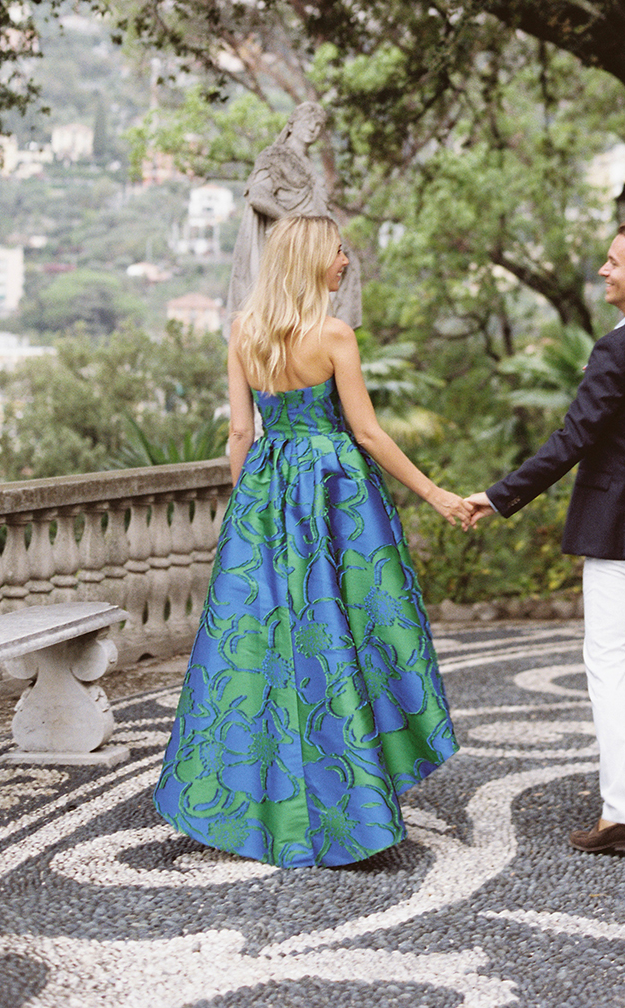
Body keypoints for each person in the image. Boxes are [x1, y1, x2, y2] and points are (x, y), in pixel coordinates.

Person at [155, 215, 470, 868]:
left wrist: (249, 514)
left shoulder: (244, 331)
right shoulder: (332, 335)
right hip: (334, 498)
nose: (345, 261)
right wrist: (436, 493)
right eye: (337, 252)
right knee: (349, 632)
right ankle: (348, 797)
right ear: (308, 261)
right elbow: (369, 434)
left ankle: (255, 804)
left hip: (268, 496)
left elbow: (240, 435)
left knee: (263, 647)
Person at [465, 220, 625, 855]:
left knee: (608, 667)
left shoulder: (620, 350)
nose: (603, 272)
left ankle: (623, 815)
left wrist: (498, 497)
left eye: (614, 263)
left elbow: (573, 440)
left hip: (620, 533)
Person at [226, 101, 362, 330]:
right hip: (294, 243)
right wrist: (296, 225)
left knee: (348, 264)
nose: (313, 128)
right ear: (292, 123)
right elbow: (258, 196)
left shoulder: (307, 163)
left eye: (318, 125)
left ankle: (332, 337)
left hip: (317, 243)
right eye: (308, 122)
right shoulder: (276, 156)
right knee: (294, 310)